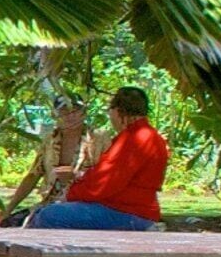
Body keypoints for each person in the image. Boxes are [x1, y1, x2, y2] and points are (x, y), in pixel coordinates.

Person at [30, 86, 166, 231]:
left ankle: (70, 253)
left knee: (49, 216)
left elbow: (105, 184)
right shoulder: (147, 136)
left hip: (127, 212)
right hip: (131, 210)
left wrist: (71, 194)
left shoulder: (133, 139)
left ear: (119, 111)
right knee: (45, 212)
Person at [0, 93, 92, 223]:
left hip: (84, 203)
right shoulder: (49, 141)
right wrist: (7, 209)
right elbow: (33, 175)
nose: (71, 117)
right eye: (65, 112)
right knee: (5, 225)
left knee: (44, 220)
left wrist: (77, 175)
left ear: (84, 113)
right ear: (55, 115)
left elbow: (108, 177)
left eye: (75, 111)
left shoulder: (98, 139)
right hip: (50, 203)